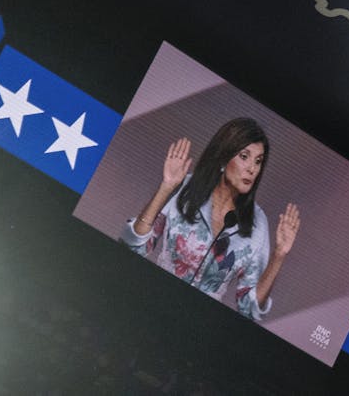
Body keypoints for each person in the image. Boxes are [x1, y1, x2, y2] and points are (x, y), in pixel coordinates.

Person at [122, 118, 301, 321]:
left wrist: (279, 255)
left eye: (258, 161)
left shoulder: (257, 224)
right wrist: (166, 187)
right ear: (224, 158)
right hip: (150, 303)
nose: (252, 168)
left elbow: (249, 308)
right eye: (245, 156)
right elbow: (133, 246)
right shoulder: (184, 188)